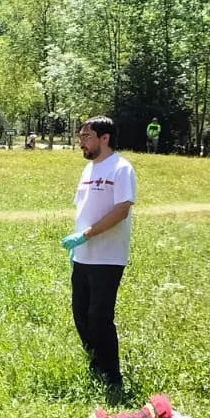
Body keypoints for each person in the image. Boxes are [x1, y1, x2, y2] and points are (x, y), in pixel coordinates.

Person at [62, 116, 136, 394]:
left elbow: (121, 210)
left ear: (104, 138)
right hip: (83, 255)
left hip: (107, 256)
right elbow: (83, 211)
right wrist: (78, 243)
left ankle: (112, 376)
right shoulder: (88, 169)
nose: (81, 142)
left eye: (86, 136)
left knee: (99, 316)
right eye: (80, 137)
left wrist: (87, 235)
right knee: (80, 314)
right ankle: (95, 365)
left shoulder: (121, 169)